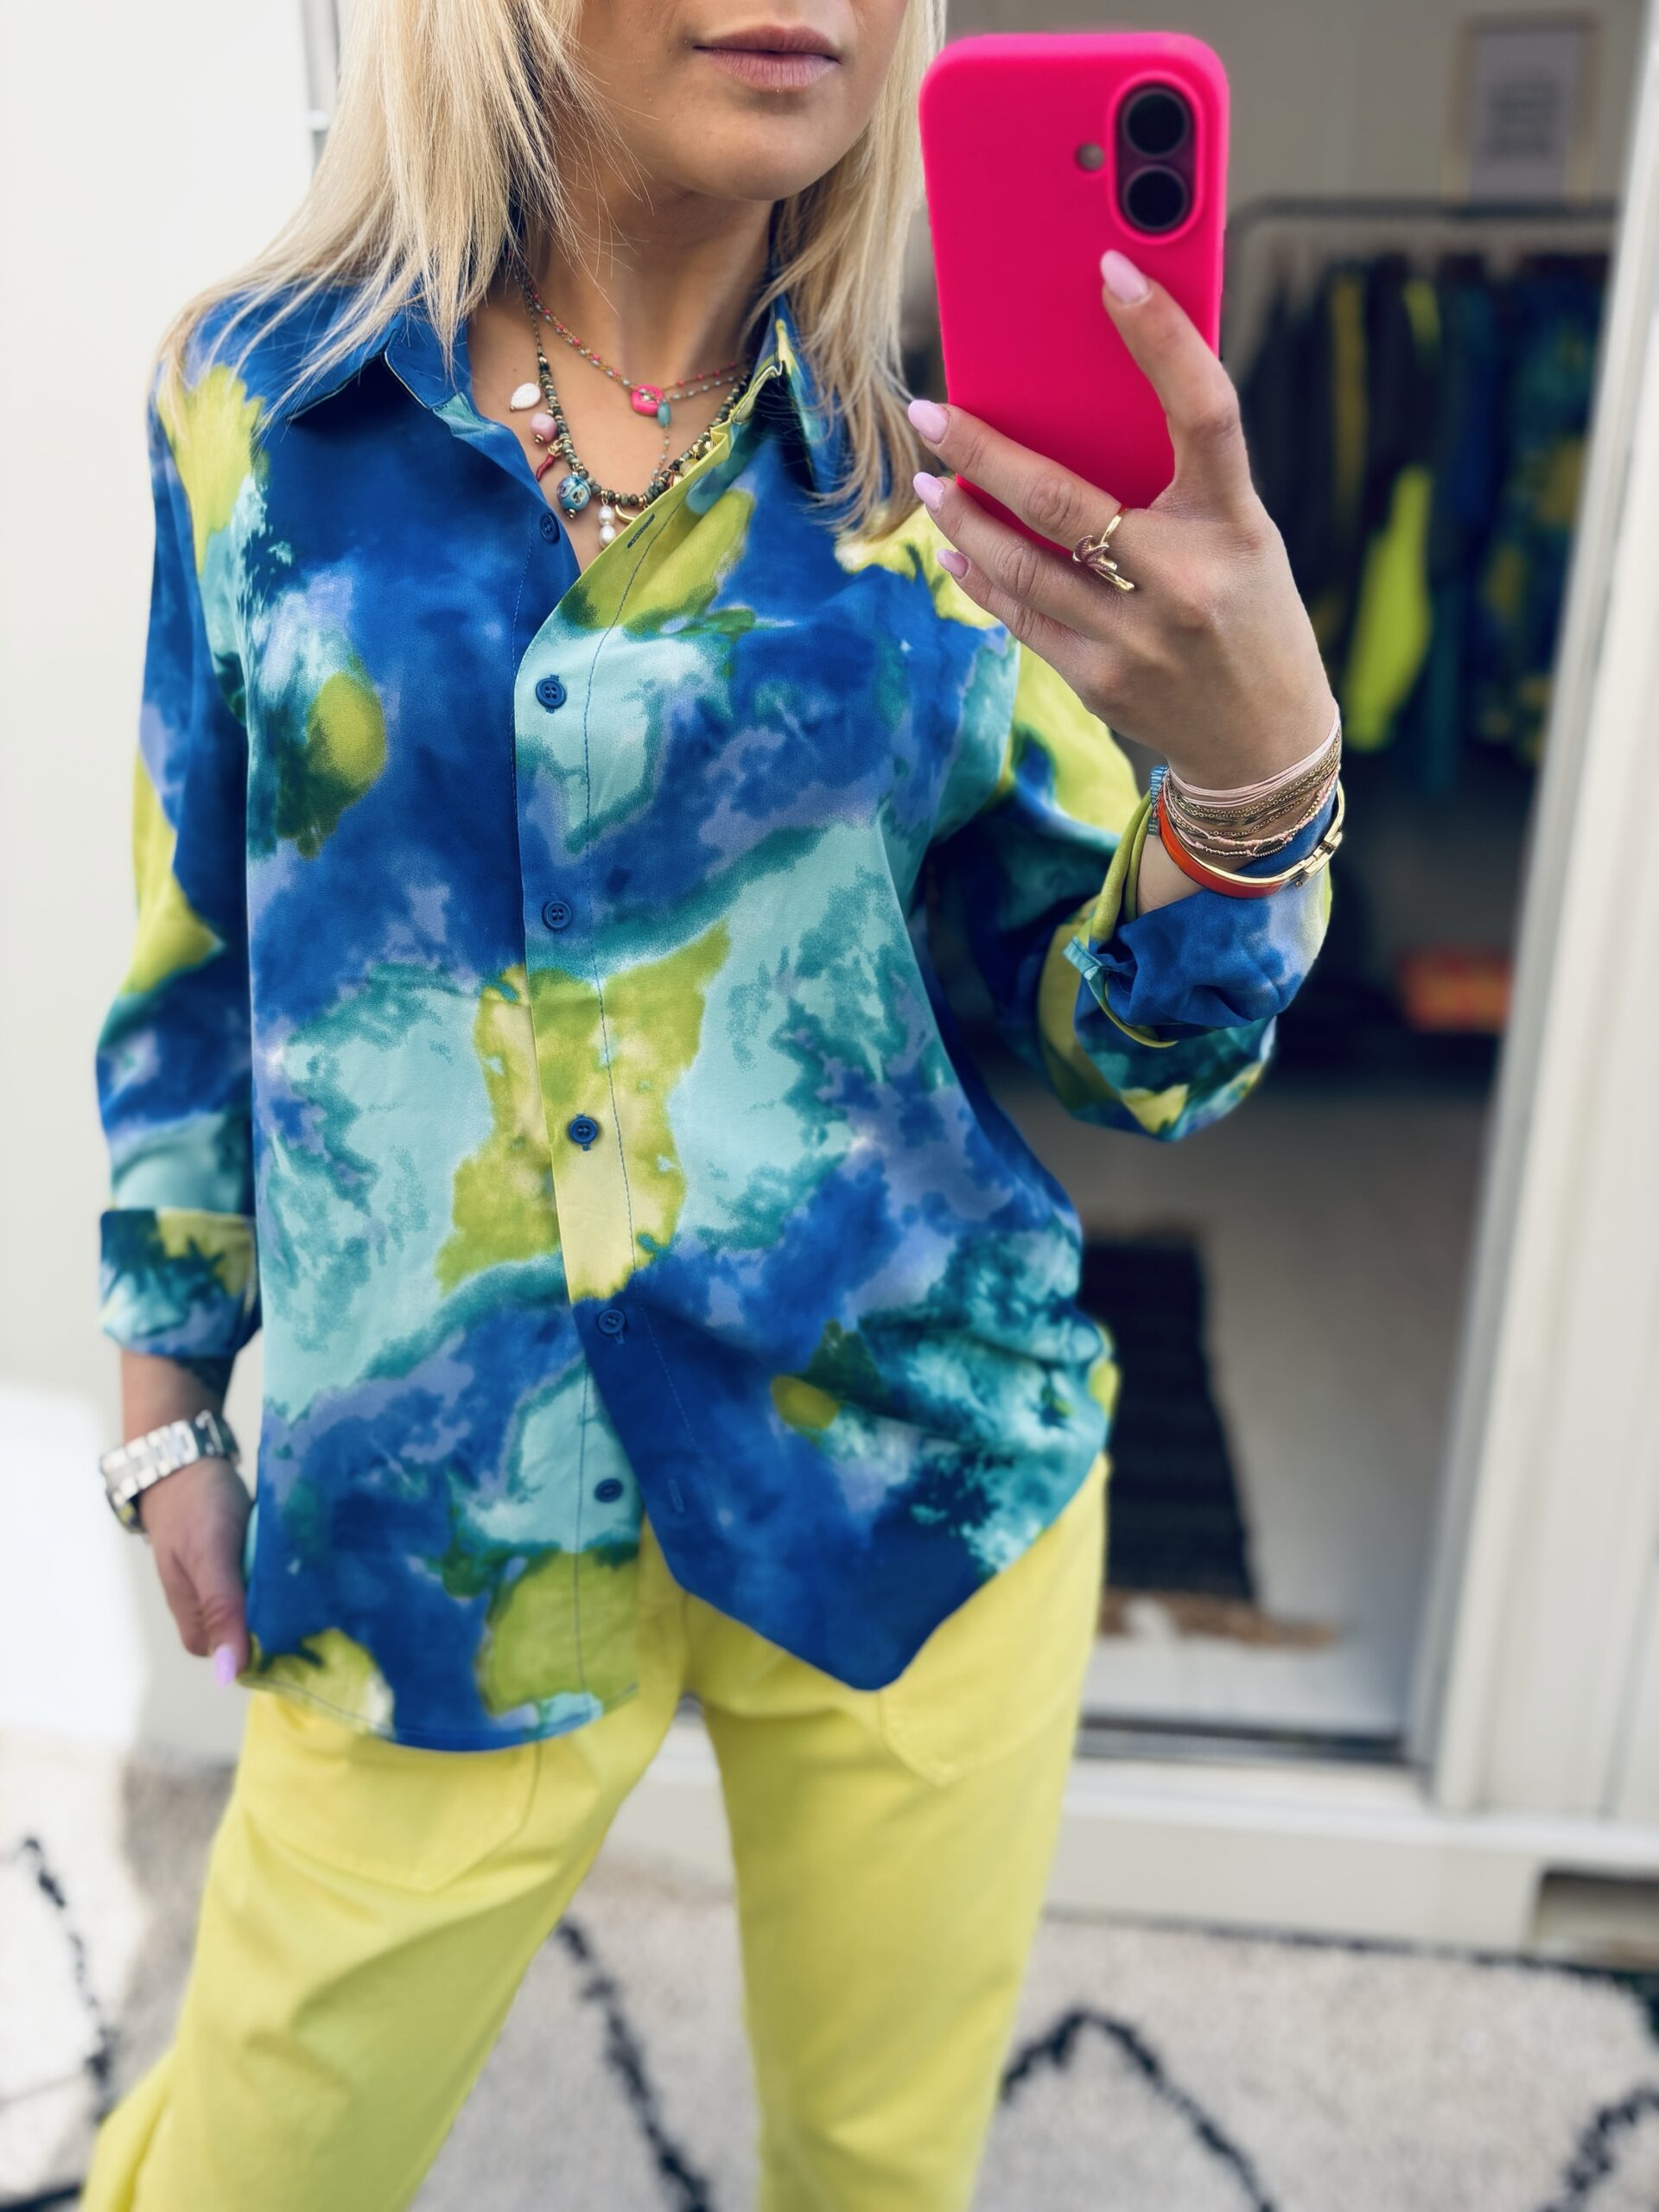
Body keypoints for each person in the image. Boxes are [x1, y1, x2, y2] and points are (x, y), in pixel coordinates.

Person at [86, 3, 1340, 2206]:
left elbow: (1126, 1045)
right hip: (445, 1519)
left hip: (914, 1470)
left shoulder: (941, 473)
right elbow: (203, 936)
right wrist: (166, 1386)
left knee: (876, 2170)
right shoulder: (257, 404)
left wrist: (1254, 786)